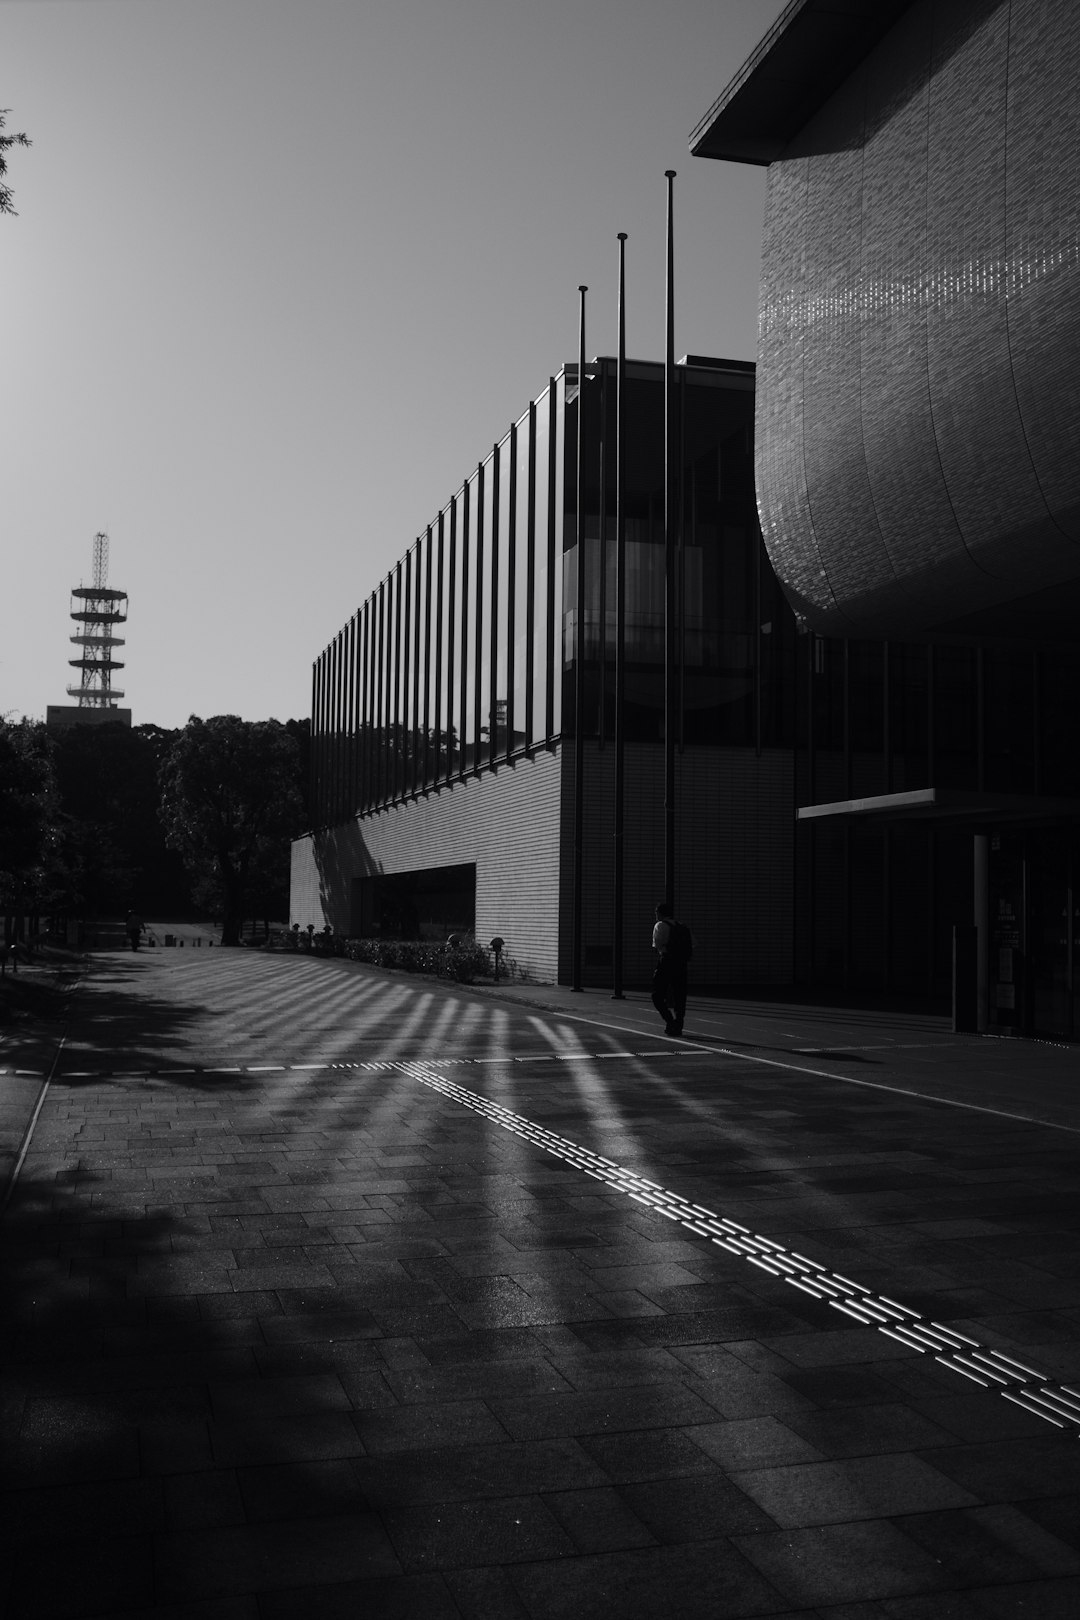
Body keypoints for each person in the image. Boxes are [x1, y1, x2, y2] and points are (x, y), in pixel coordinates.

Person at [651, 901, 692, 1036]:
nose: (655, 915)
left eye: (656, 912)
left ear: (661, 913)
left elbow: (657, 945)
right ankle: (679, 1025)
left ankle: (670, 1021)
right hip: (681, 964)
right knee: (679, 995)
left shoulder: (660, 925)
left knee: (657, 995)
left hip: (667, 962)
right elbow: (693, 944)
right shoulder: (682, 926)